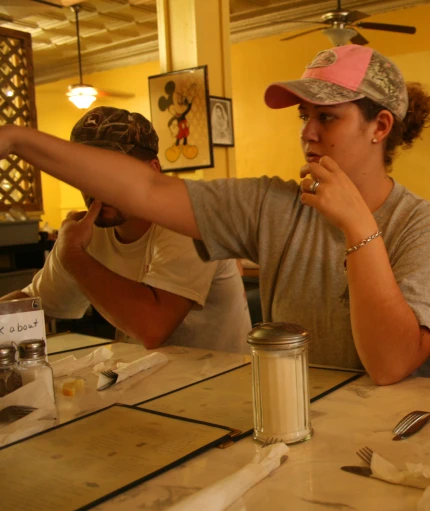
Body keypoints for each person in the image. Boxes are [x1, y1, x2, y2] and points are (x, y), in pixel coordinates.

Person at [0, 45, 430, 385]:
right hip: (301, 417)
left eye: (327, 117)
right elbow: (144, 188)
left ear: (379, 127)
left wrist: (359, 226)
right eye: (304, 116)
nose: (307, 133)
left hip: (403, 437)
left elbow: (389, 364)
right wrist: (17, 139)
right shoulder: (274, 206)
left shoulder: (428, 229)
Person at [0, 107, 251, 353]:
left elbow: (153, 328)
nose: (97, 186)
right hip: (140, 381)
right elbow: (33, 303)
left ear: (152, 170)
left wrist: (73, 256)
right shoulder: (88, 231)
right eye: (85, 173)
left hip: (222, 384)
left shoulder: (186, 218)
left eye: (112, 172)